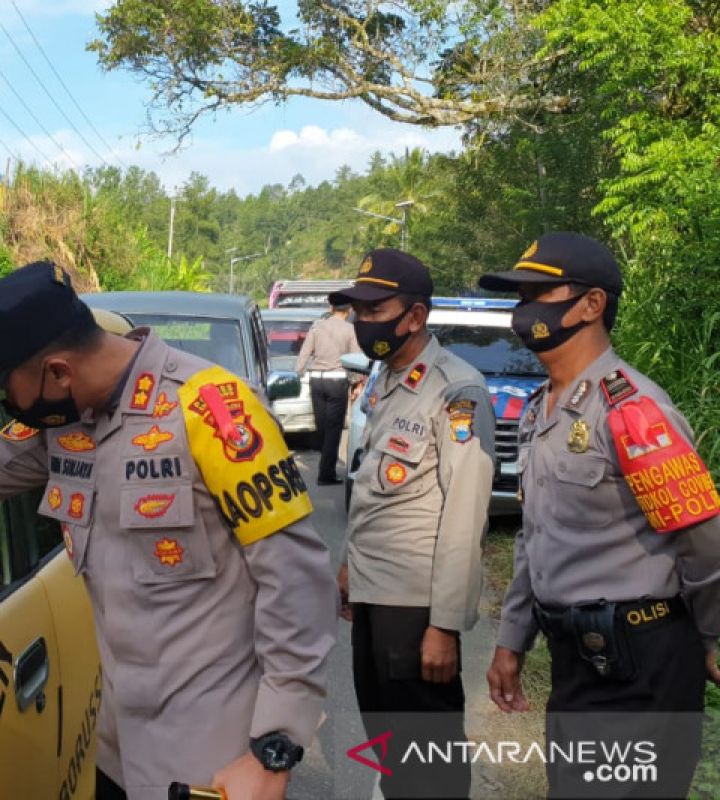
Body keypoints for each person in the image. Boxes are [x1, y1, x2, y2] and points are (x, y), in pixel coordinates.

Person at [0, 261, 339, 800]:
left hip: (211, 760)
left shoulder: (212, 409)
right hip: (116, 745)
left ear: (57, 372)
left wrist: (274, 749)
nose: (9, 405)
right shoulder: (66, 422)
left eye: (8, 388)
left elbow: (298, 582)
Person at [482, 232, 720, 798]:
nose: (524, 312)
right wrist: (512, 638)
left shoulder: (633, 409)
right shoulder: (541, 409)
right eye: (519, 298)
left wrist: (715, 634)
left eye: (539, 293)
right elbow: (534, 537)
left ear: (591, 304)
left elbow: (703, 539)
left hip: (640, 665)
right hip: (575, 662)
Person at [331, 249, 495, 798]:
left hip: (416, 606)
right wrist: (352, 564)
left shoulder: (456, 391)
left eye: (376, 308)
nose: (362, 321)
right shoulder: (386, 377)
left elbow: (464, 515)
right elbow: (373, 485)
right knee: (388, 745)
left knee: (428, 760)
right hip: (377, 599)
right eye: (357, 309)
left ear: (416, 317)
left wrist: (444, 626)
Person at [295, 303, 359, 485]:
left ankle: (325, 464)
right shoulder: (349, 329)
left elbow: (305, 352)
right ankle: (326, 474)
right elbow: (355, 357)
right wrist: (356, 382)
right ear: (349, 310)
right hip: (337, 380)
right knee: (333, 429)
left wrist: (298, 372)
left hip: (316, 379)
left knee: (321, 425)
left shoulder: (317, 327)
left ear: (332, 308)